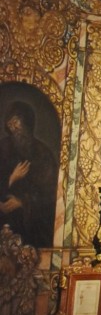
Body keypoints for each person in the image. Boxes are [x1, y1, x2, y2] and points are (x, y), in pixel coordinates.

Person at [0, 101, 58, 248]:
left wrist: (22, 202)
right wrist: (11, 179)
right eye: (11, 126)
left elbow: (51, 196)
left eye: (17, 124)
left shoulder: (43, 154)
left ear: (27, 124)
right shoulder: (3, 148)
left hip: (32, 231)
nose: (15, 130)